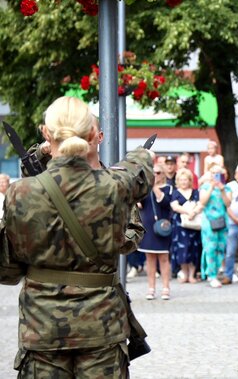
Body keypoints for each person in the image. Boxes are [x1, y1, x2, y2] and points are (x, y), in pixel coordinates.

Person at [0, 96, 154, 377]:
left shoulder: (20, 193)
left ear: (46, 134)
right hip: (102, 330)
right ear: (93, 135)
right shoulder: (115, 186)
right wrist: (142, 155)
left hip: (42, 329)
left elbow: (7, 272)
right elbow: (140, 168)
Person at [139, 163, 174, 300]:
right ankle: (151, 287)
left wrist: (154, 187)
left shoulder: (168, 188)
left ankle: (166, 287)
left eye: (158, 173)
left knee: (164, 258)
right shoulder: (145, 189)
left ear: (164, 174)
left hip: (162, 227)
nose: (155, 175)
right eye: (152, 173)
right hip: (148, 226)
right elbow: (139, 204)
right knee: (150, 259)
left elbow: (165, 203)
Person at [199, 165, 231, 288]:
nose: (216, 175)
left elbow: (228, 204)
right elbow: (203, 202)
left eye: (219, 173)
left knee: (220, 248)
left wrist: (222, 189)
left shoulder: (227, 188)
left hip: (222, 221)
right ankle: (211, 275)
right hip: (208, 222)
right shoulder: (205, 187)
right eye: (213, 173)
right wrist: (211, 187)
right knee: (210, 248)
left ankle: (215, 273)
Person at [170, 168, 203, 284]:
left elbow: (200, 205)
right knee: (182, 249)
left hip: (194, 224)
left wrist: (193, 213)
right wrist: (188, 212)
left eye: (186, 180)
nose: (184, 182)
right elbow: (174, 206)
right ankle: (184, 273)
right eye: (181, 180)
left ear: (190, 181)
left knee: (193, 248)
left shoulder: (195, 192)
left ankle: (192, 274)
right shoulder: (175, 192)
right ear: (178, 181)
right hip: (180, 225)